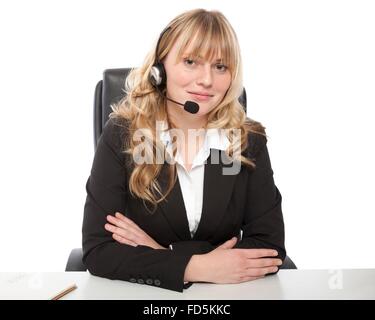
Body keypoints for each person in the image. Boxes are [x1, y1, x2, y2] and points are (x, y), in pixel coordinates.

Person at [82, 8, 286, 293]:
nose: (206, 80)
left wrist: (159, 252)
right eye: (191, 61)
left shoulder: (246, 141)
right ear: (159, 69)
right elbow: (99, 251)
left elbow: (269, 248)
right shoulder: (123, 135)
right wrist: (198, 266)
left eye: (220, 66)